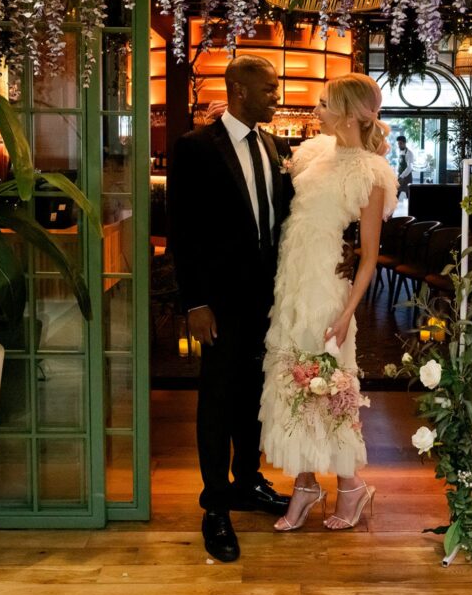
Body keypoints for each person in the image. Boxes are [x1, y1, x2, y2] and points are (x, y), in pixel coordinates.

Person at [259, 73, 398, 532]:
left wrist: (346, 313)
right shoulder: (313, 153)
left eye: (324, 103)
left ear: (351, 113)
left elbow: (370, 257)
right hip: (291, 283)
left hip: (327, 291)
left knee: (326, 386)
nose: (315, 110)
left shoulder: (371, 173)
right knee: (291, 382)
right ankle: (304, 483)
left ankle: (350, 484)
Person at [168, 55, 294, 563]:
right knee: (218, 400)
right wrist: (195, 301)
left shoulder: (273, 144)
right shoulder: (195, 148)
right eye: (268, 89)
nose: (275, 96)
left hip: (268, 299)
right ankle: (215, 504)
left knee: (255, 397)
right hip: (217, 302)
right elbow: (183, 231)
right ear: (239, 90)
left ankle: (247, 483)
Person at [396, 134, 414, 199]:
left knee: (408, 194)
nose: (399, 145)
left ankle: (411, 208)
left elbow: (409, 167)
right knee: (396, 193)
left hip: (407, 177)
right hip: (400, 176)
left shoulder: (409, 153)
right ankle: (393, 207)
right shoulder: (400, 152)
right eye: (398, 144)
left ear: (404, 143)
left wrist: (402, 176)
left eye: (400, 143)